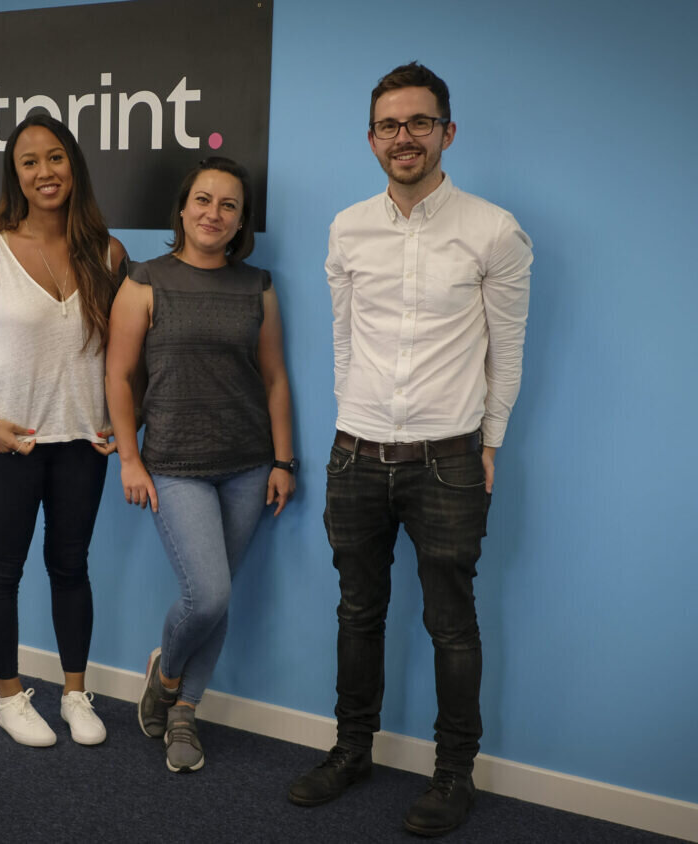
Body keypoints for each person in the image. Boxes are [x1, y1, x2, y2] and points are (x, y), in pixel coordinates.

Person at [286, 62, 533, 837]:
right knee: (357, 612)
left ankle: (453, 775)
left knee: (450, 623)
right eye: (389, 125)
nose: (404, 137)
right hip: (355, 453)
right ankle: (350, 751)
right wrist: (349, 421)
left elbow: (506, 353)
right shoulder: (346, 228)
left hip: (447, 460)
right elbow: (341, 338)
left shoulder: (493, 230)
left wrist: (489, 443)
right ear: (370, 139)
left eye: (419, 122)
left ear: (446, 132)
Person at [0, 113, 127, 748]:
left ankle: (75, 694)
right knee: (3, 569)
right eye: (30, 161)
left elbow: (126, 355)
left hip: (82, 444)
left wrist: (125, 423)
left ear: (74, 166)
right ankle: (9, 697)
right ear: (15, 175)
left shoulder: (109, 253)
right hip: (8, 444)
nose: (45, 171)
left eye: (56, 157)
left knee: (71, 568)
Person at [105, 157, 297, 773]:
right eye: (204, 200)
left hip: (247, 464)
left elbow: (274, 378)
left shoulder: (258, 286)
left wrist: (283, 460)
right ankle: (165, 677)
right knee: (208, 596)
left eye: (229, 205)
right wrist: (129, 459)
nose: (214, 213)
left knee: (222, 597)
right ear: (183, 209)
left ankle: (184, 710)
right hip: (173, 464)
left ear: (242, 222)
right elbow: (118, 375)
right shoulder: (144, 281)